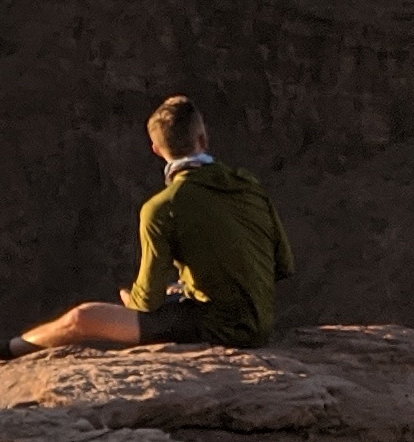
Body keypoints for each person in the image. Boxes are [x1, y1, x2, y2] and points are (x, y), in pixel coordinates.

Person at [19, 96, 294, 352]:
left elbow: (147, 299)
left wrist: (133, 302)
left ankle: (4, 349)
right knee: (174, 294)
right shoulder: (250, 188)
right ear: (203, 138)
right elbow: (283, 265)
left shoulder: (162, 208)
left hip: (219, 329)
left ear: (156, 149)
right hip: (261, 323)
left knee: (83, 318)